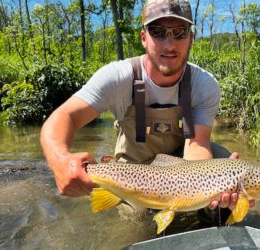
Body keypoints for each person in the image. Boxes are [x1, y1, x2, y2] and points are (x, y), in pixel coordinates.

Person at [40, 0, 237, 212]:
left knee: (224, 169)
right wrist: (60, 160)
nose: (169, 45)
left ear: (191, 39)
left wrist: (206, 189)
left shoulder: (204, 85)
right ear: (144, 37)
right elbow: (63, 117)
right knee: (137, 224)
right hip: (130, 175)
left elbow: (198, 144)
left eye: (179, 32)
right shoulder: (118, 77)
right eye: (158, 32)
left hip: (179, 168)